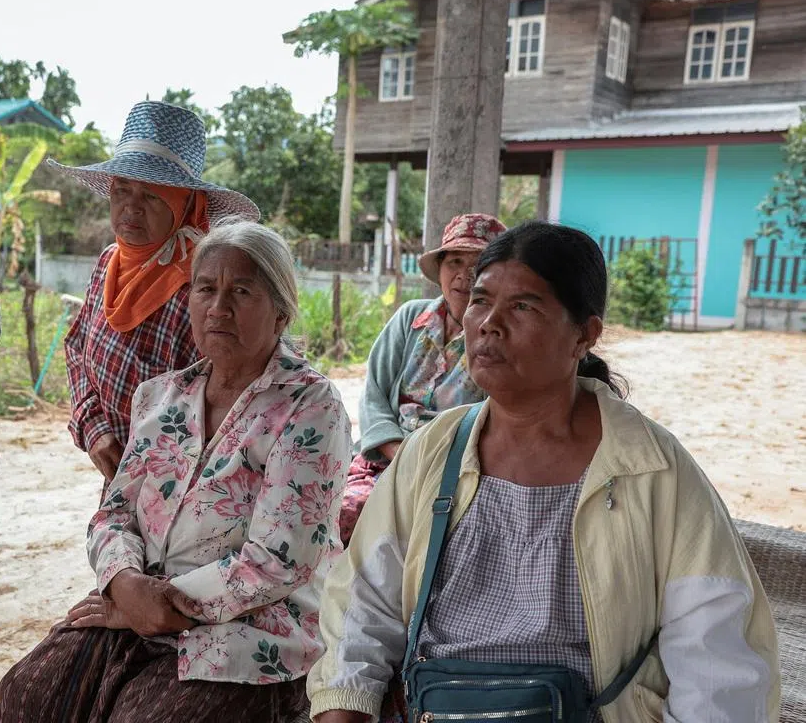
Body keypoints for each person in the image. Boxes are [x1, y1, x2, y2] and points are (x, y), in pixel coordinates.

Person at [308, 222, 781, 723]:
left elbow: (719, 664)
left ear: (585, 335)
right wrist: (345, 707)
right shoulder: (433, 451)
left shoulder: (649, 468)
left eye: (523, 307)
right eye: (480, 301)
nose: (489, 324)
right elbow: (361, 605)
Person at [0, 221, 352, 723]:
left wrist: (161, 605)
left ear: (280, 311)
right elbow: (113, 514)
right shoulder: (161, 397)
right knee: (29, 691)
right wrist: (124, 583)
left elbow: (279, 561)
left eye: (241, 291)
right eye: (205, 289)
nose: (218, 307)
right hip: (137, 604)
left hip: (253, 628)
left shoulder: (311, 406)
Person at [54, 101, 260, 488]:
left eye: (151, 196)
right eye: (122, 190)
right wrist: (93, 427)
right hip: (118, 479)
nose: (131, 208)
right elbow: (77, 348)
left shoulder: (210, 286)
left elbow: (237, 404)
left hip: (186, 488)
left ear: (186, 206)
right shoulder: (109, 263)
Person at [339, 213, 506, 543]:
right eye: (454, 261)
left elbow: (494, 421)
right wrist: (398, 453)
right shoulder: (411, 318)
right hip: (385, 458)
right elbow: (374, 395)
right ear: (440, 269)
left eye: (477, 265)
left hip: (450, 472)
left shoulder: (497, 336)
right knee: (332, 514)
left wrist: (427, 465)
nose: (464, 275)